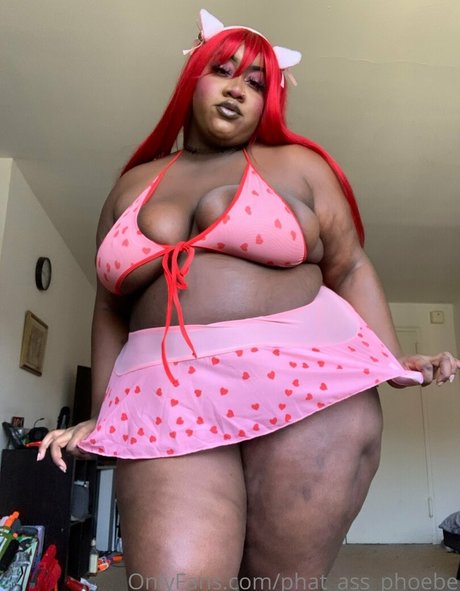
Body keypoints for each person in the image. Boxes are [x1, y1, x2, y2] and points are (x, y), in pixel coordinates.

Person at [38, 9, 459, 590]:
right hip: (167, 394)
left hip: (305, 383)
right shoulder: (132, 184)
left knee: (279, 582)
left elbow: (350, 264)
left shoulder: (299, 166)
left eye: (256, 83)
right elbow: (110, 305)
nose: (237, 88)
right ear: (193, 77)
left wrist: (391, 357)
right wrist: (103, 412)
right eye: (223, 71)